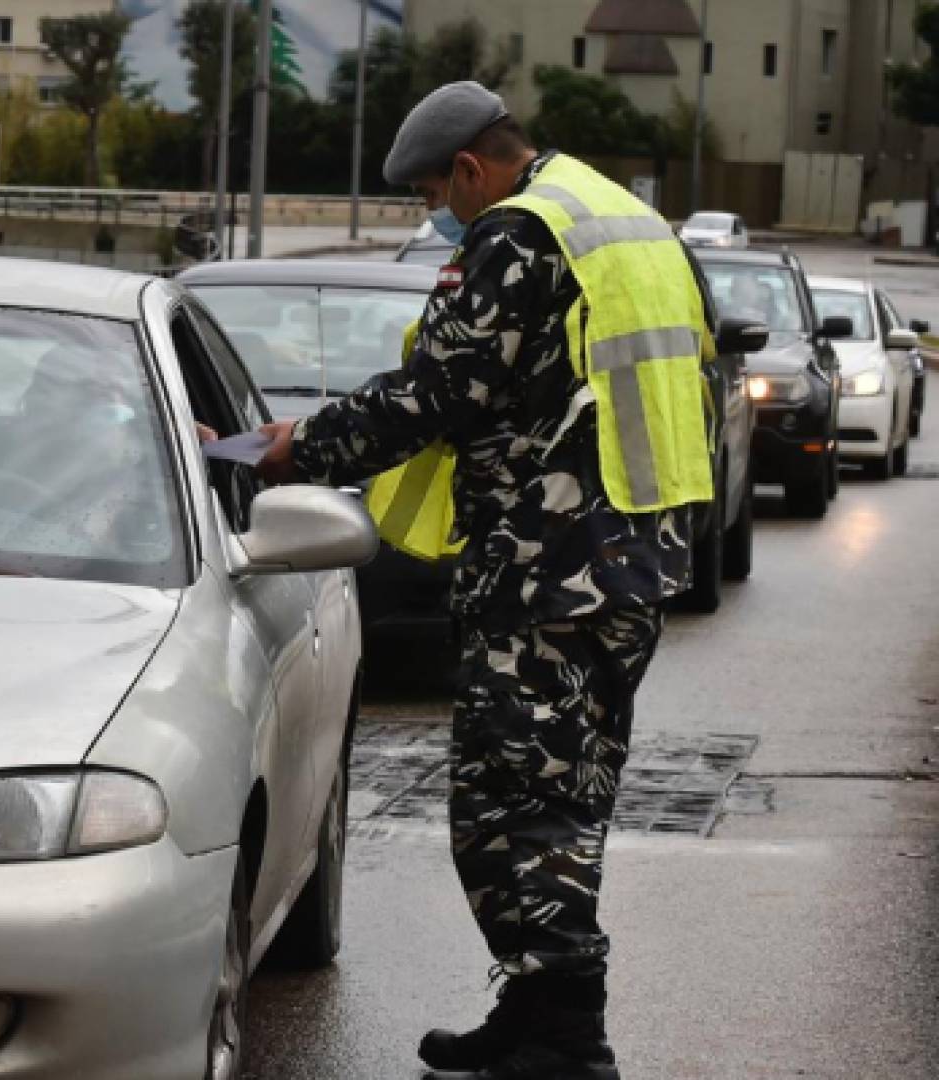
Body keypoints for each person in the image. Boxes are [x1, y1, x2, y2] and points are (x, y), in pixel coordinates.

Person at [255, 82, 715, 1080]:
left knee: (510, 808)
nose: (438, 214)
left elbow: (438, 392)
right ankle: (538, 1013)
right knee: (560, 799)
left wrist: (294, 447)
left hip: (550, 576)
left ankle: (566, 1035)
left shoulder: (520, 235)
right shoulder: (624, 220)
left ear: (468, 167)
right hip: (628, 566)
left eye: (433, 191)